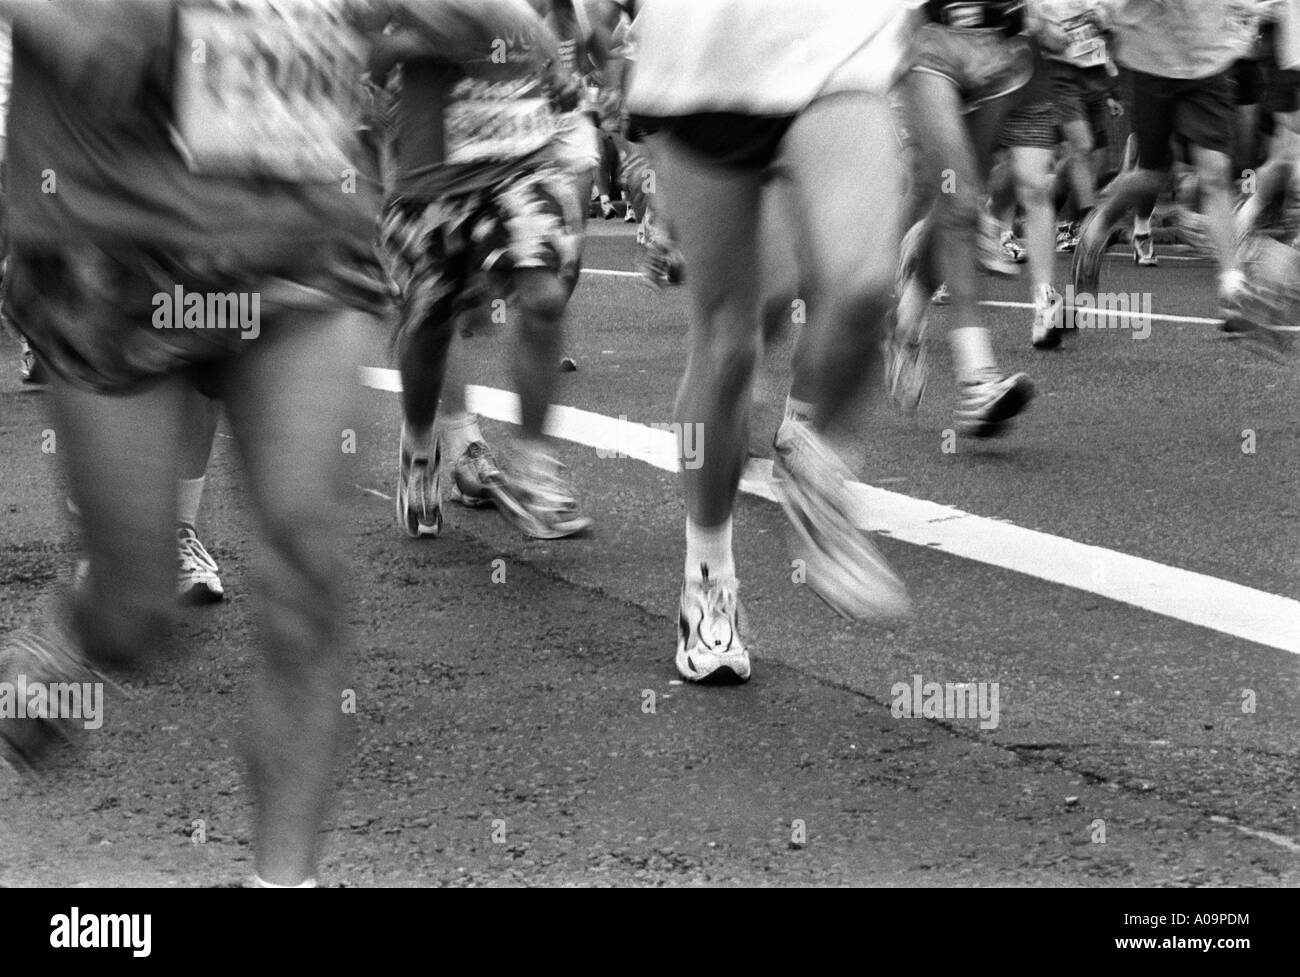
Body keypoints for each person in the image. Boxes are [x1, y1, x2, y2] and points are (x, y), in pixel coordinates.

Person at [0, 0, 523, 889]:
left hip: (301, 236)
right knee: (138, 614)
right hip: (111, 232)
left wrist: (474, 21)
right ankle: (75, 632)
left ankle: (285, 879)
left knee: (308, 572)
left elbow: (484, 27)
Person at [627, 0, 916, 683]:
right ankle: (708, 579)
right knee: (730, 343)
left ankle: (813, 464)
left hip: (836, 39)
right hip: (702, 61)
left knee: (863, 284)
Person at [376, 0, 592, 541]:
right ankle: (422, 444)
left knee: (544, 297)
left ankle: (536, 469)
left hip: (520, 168)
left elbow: (548, 38)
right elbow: (362, 52)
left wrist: (554, 68)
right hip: (434, 183)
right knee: (429, 325)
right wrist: (415, 42)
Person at [889, 0, 1036, 435]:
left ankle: (904, 321)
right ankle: (978, 379)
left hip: (1000, 48)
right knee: (957, 199)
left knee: (964, 205)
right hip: (930, 41)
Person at [1072, 0, 1260, 314]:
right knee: (1155, 173)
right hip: (1152, 59)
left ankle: (1232, 287)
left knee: (1215, 170)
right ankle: (1099, 224)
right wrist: (1104, 15)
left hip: (1210, 57)